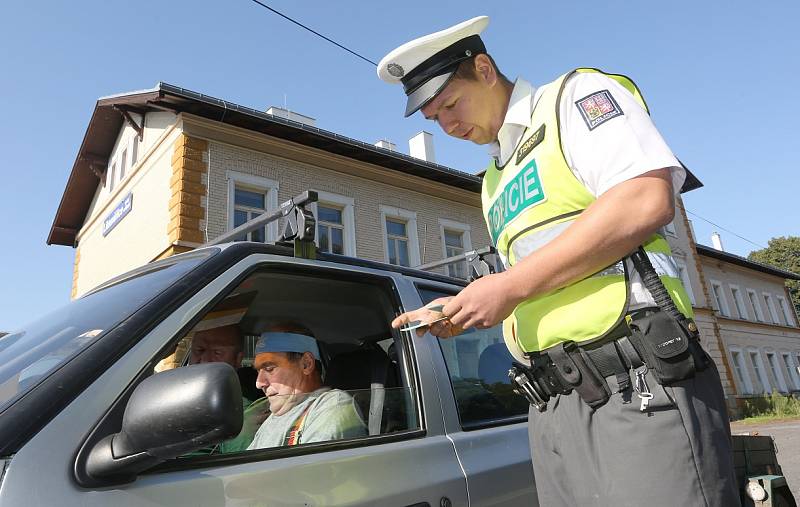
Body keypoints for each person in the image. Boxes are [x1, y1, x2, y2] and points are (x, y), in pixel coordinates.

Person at [380, 16, 739, 506]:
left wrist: (506, 289)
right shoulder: (493, 180)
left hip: (635, 382)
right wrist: (466, 304)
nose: (447, 124)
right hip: (552, 403)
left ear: (484, 68)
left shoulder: (574, 98)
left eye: (449, 104)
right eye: (434, 119)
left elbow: (644, 199)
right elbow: (540, 273)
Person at [247, 323, 366, 449]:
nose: (259, 383)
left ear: (306, 364)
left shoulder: (332, 406)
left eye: (269, 369)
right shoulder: (271, 419)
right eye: (258, 371)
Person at [188, 324, 268, 453]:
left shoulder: (245, 410)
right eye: (199, 350)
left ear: (237, 359)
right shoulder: (174, 391)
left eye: (217, 353)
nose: (204, 360)